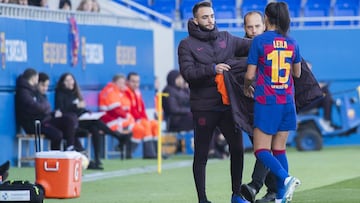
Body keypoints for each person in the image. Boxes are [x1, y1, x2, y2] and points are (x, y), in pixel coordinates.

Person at [177, 1, 252, 202]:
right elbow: (188, 73)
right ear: (195, 20)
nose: (210, 20)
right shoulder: (186, 44)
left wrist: (271, 39)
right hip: (204, 108)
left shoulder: (227, 38)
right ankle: (202, 199)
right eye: (204, 17)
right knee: (201, 154)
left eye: (211, 16)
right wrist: (213, 68)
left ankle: (236, 195)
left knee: (237, 149)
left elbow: (252, 45)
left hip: (229, 106)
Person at [243, 2, 301, 203]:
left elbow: (250, 75)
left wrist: (245, 85)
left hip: (267, 101)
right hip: (287, 102)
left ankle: (286, 179)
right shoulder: (292, 42)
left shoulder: (259, 41)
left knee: (261, 150)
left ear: (266, 18)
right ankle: (282, 197)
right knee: (279, 150)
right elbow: (297, 73)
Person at [55, 73, 128, 169]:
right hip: (71, 123)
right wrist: (76, 106)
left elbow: (80, 109)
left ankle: (97, 159)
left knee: (95, 127)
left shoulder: (76, 93)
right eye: (67, 80)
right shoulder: (60, 93)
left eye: (71, 80)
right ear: (63, 83)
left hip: (81, 119)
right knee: (96, 123)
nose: (70, 82)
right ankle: (117, 136)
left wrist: (86, 111)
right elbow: (62, 110)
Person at [15, 69, 78, 151]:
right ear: (34, 79)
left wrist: (50, 112)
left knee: (69, 119)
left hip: (45, 119)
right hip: (35, 124)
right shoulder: (23, 92)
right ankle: (55, 157)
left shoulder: (32, 90)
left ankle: (71, 148)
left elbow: (43, 108)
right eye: (42, 84)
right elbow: (36, 107)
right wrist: (45, 108)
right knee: (57, 134)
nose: (45, 88)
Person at [99, 74, 156, 159]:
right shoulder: (111, 92)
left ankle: (128, 151)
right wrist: (129, 117)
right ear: (114, 83)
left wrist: (129, 117)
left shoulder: (121, 93)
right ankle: (126, 149)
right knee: (140, 128)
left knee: (143, 127)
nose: (123, 85)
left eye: (123, 83)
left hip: (119, 121)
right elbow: (116, 111)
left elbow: (127, 109)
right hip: (110, 122)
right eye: (120, 83)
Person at [125, 72, 159, 158]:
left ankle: (157, 152)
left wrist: (144, 118)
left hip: (139, 119)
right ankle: (149, 154)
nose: (136, 84)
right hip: (130, 120)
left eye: (137, 82)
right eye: (133, 81)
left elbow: (142, 109)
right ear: (127, 82)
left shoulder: (137, 92)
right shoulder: (126, 92)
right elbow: (130, 110)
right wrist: (141, 119)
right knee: (146, 124)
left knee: (155, 124)